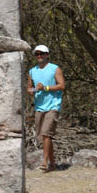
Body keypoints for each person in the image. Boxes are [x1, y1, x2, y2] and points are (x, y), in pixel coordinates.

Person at [27, 44, 65, 172]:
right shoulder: (32, 71)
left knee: (46, 133)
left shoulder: (55, 69)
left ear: (47, 55)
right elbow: (29, 88)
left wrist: (46, 88)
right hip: (39, 106)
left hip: (53, 105)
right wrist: (33, 90)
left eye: (41, 53)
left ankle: (44, 162)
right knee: (43, 136)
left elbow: (62, 86)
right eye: (37, 54)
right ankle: (53, 163)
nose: (39, 56)